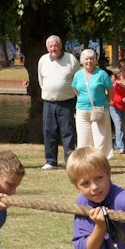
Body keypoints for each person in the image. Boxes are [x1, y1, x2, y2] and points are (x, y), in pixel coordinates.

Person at [38, 35, 80, 170]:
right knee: (49, 131)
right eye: (50, 46)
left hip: (66, 102)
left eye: (56, 45)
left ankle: (69, 160)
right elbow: (41, 80)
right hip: (49, 102)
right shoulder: (43, 60)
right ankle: (50, 161)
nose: (53, 48)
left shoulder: (71, 59)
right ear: (47, 47)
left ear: (61, 46)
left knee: (68, 132)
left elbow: (77, 79)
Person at [71, 49, 113, 159]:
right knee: (83, 141)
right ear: (82, 61)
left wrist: (105, 103)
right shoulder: (78, 75)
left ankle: (101, 164)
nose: (89, 61)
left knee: (100, 140)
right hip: (82, 110)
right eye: (86, 59)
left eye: (92, 59)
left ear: (95, 61)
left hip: (99, 110)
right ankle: (85, 165)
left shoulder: (102, 74)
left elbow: (110, 91)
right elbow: (76, 90)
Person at [109, 61, 125, 155]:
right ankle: (121, 146)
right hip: (114, 106)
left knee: (123, 126)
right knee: (118, 124)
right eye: (123, 67)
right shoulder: (114, 78)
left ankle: (116, 143)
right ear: (120, 68)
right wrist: (109, 99)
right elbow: (108, 89)